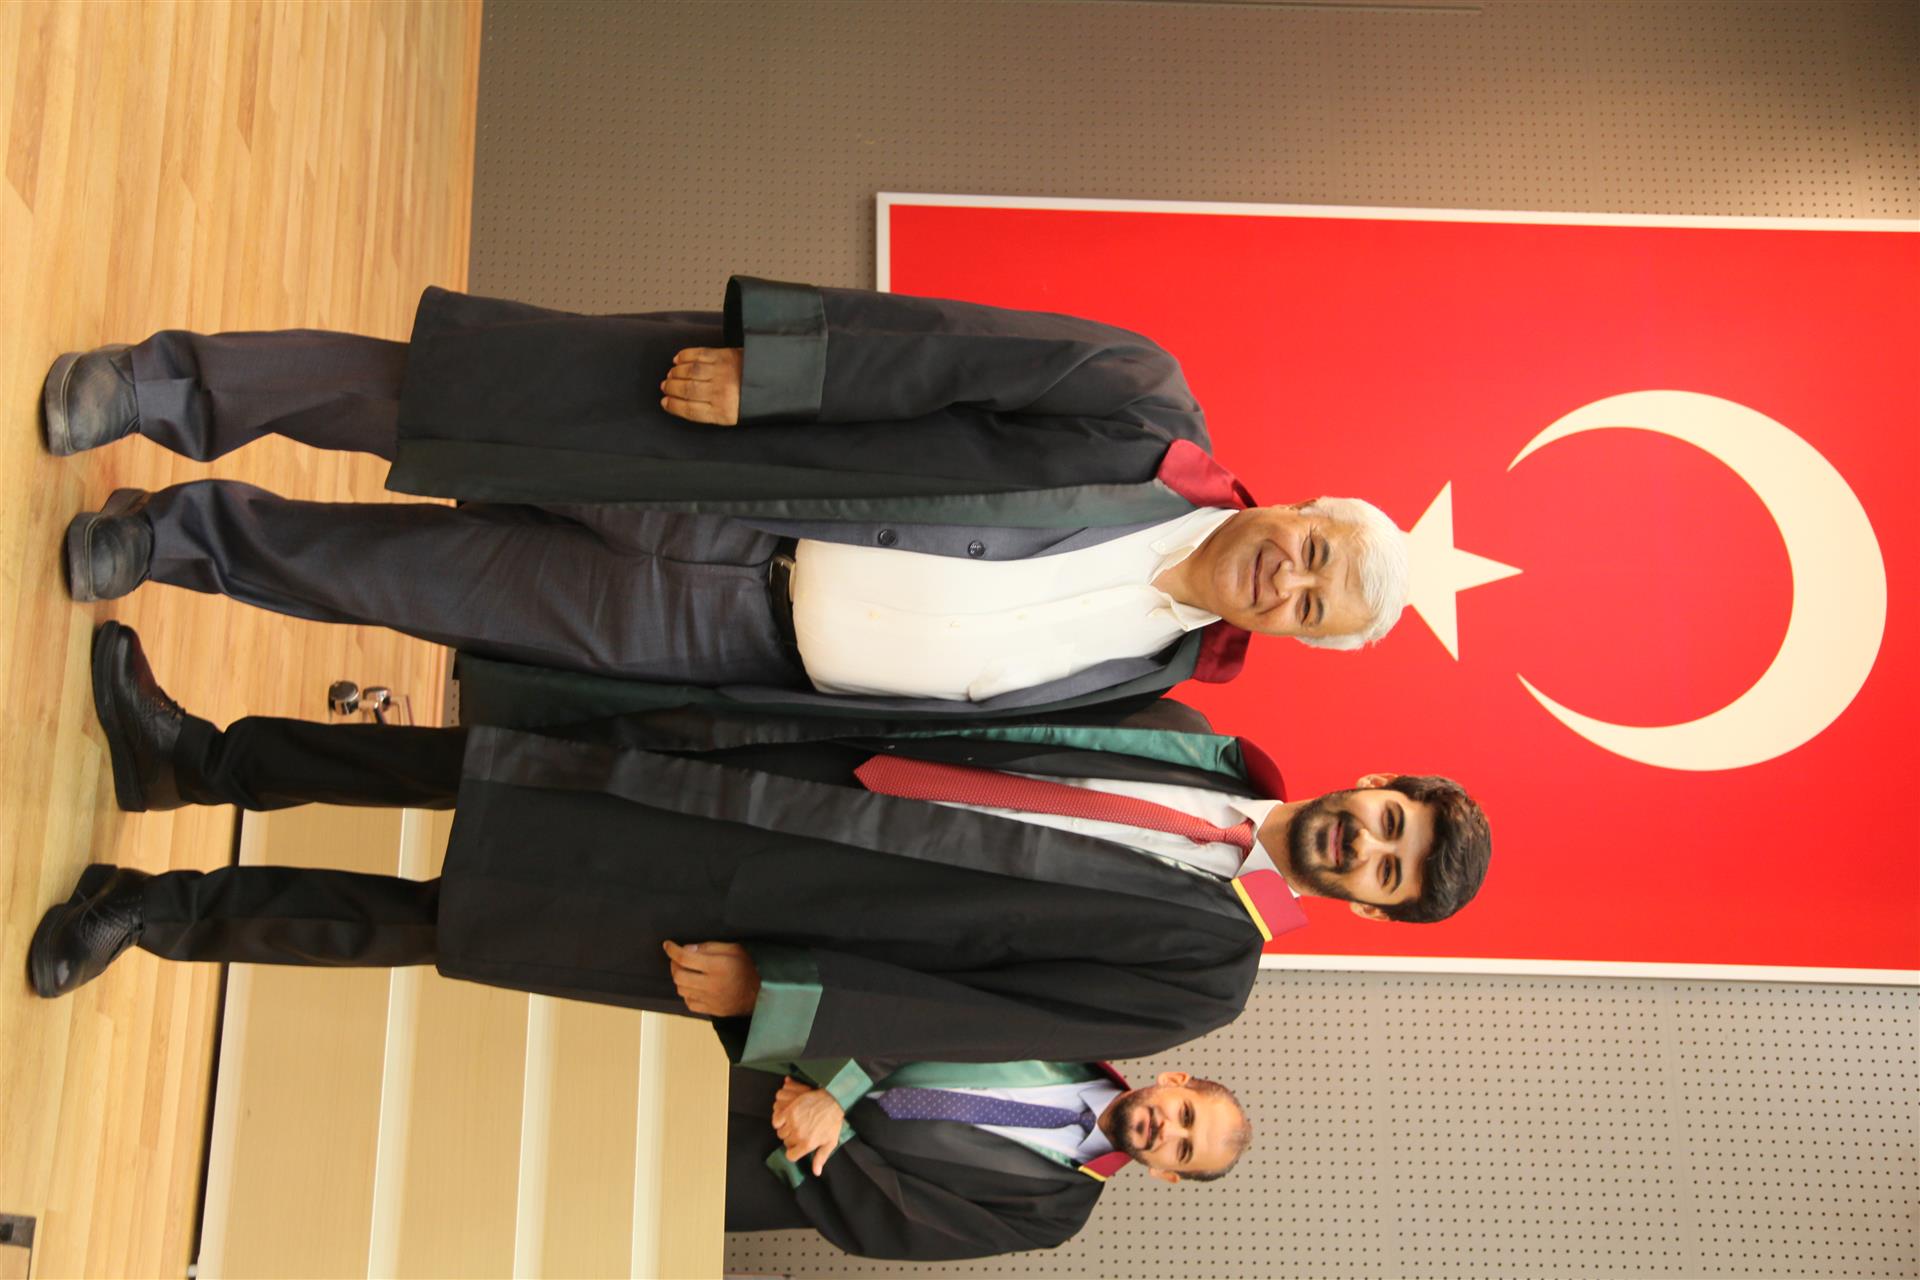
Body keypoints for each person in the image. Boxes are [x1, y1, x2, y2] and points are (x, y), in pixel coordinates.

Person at [30, 623, 1492, 1066]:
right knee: (473, 763)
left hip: (790, 903)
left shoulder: (1209, 974)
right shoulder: (1192, 735)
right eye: (1389, 820)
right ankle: (193, 758)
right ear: (1376, 782)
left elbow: (989, 1016)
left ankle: (156, 910)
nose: (1364, 843)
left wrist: (793, 998)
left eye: (1383, 869)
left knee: (444, 919)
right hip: (789, 765)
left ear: (1367, 909)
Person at [45, 277, 1408, 724]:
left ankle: (166, 538)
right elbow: (946, 353)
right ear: (1304, 506)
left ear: (1296, 637)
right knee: (431, 410)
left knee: (403, 584)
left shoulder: (1146, 681)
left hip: (713, 640)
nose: (1288, 577)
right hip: (738, 482)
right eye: (1314, 550)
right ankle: (163, 386)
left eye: (1312, 603)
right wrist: (780, 378)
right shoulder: (1145, 408)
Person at [727, 1059, 1248, 1260]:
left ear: (1165, 1172)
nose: (1168, 1129)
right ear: (1174, 1080)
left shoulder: (1055, 1214)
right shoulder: (1068, 1036)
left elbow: (911, 1226)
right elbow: (922, 1011)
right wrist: (833, 1083)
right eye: (1185, 1113)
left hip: (784, 1170)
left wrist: (832, 1135)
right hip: (785, 1061)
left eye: (1182, 1147)